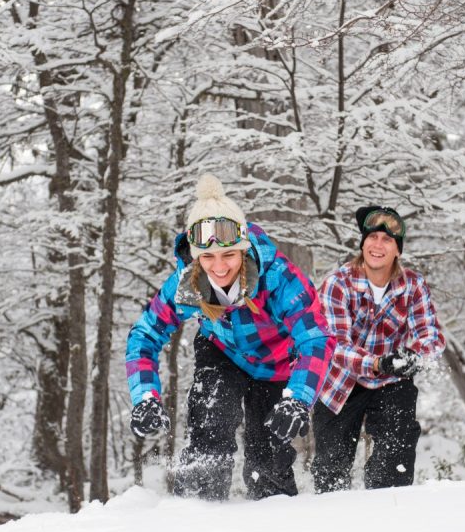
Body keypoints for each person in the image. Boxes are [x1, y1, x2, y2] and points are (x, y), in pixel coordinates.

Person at [125, 174, 332, 500]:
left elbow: (315, 338)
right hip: (221, 352)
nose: (219, 268)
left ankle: (274, 521)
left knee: (268, 458)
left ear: (243, 250)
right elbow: (144, 336)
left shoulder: (277, 277)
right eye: (207, 258)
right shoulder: (187, 283)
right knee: (211, 422)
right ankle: (197, 506)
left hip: (276, 365)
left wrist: (298, 399)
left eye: (229, 256)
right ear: (196, 258)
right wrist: (145, 397)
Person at [311, 205, 445, 492]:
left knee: (394, 463)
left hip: (391, 380)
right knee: (330, 469)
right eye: (372, 237)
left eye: (387, 240)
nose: (378, 245)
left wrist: (415, 355)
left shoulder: (412, 285)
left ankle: (388, 511)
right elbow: (336, 345)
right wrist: (376, 363)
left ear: (398, 250)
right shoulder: (338, 283)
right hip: (341, 382)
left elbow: (430, 335)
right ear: (363, 243)